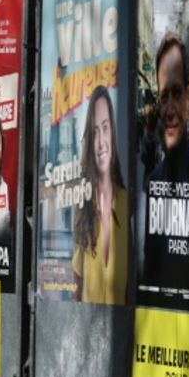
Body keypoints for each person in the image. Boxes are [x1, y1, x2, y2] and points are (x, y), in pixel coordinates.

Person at [140, 33, 189, 303]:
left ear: (188, 97)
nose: (170, 107)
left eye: (176, 94)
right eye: (164, 97)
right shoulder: (153, 184)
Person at [72, 85, 127, 304]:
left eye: (105, 128)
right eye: (94, 132)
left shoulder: (126, 204)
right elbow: (76, 291)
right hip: (88, 333)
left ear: (112, 133)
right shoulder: (82, 204)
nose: (101, 141)